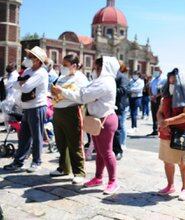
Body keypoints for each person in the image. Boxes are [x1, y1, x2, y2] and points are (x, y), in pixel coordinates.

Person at [52, 56, 120, 195]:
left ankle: (113, 181)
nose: (94, 70)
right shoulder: (99, 80)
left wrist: (64, 92)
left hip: (105, 120)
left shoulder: (105, 82)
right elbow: (83, 93)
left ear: (104, 68)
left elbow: (83, 96)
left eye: (96, 67)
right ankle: (98, 177)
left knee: (106, 152)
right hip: (96, 119)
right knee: (100, 152)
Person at [3, 46, 49, 172]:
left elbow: (24, 87)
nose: (27, 58)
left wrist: (22, 82)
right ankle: (19, 162)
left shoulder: (41, 72)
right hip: (27, 107)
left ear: (38, 60)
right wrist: (23, 82)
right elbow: (16, 85)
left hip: (37, 107)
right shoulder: (29, 70)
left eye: (30, 57)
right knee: (23, 136)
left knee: (37, 135)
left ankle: (36, 161)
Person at [49, 54, 88, 184]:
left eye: (65, 65)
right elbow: (57, 91)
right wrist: (53, 92)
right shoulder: (62, 77)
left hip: (72, 111)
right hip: (58, 111)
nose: (63, 67)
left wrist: (62, 92)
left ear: (74, 66)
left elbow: (80, 97)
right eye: (62, 64)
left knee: (75, 142)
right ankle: (63, 168)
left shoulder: (81, 79)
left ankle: (79, 172)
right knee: (61, 142)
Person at [157, 68, 185, 201]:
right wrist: (162, 122)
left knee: (184, 164)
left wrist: (168, 122)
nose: (171, 84)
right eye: (170, 81)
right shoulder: (165, 97)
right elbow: (160, 112)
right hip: (166, 134)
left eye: (174, 82)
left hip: (183, 134)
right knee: (168, 162)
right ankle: (170, 185)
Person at [113, 62, 129, 160]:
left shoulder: (122, 77)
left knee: (117, 129)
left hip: (119, 106)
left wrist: (109, 89)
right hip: (110, 106)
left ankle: (118, 150)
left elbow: (123, 90)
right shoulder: (110, 76)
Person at [148, 69, 164, 136]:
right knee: (153, 114)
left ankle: (159, 129)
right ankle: (154, 129)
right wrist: (151, 96)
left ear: (160, 72)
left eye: (157, 71)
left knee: (158, 114)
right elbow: (149, 88)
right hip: (152, 99)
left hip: (158, 99)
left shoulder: (163, 80)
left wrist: (156, 96)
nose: (155, 72)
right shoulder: (153, 80)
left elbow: (163, 90)